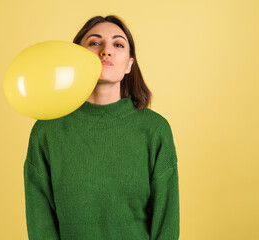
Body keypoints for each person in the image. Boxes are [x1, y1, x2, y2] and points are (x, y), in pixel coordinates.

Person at [23, 15, 180, 240]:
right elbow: (40, 222)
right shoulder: (46, 131)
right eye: (95, 43)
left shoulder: (155, 130)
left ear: (129, 64)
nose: (106, 51)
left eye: (118, 44)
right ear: (76, 56)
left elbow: (167, 222)